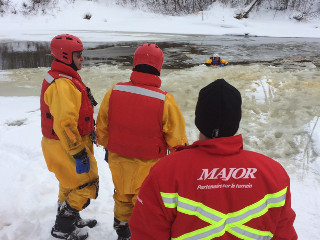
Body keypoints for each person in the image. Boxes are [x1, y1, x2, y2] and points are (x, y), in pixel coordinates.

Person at [129, 79, 297, 240]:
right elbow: (284, 235)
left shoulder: (167, 171)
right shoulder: (273, 172)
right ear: (236, 121)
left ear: (199, 119)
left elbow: (146, 234)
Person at [96, 43, 188, 240]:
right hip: (149, 165)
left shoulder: (115, 90)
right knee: (144, 202)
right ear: (159, 67)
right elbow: (177, 139)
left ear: (134, 63)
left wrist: (106, 145)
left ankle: (122, 229)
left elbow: (102, 125)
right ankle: (139, 234)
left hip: (117, 159)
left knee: (121, 195)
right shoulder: (165, 100)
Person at [40, 34, 99, 240]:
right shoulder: (62, 85)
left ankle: (71, 218)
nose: (83, 59)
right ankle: (63, 227)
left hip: (64, 142)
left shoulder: (66, 78)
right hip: (65, 144)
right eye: (79, 55)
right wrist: (78, 152)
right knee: (86, 185)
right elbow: (65, 124)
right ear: (65, 56)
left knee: (68, 182)